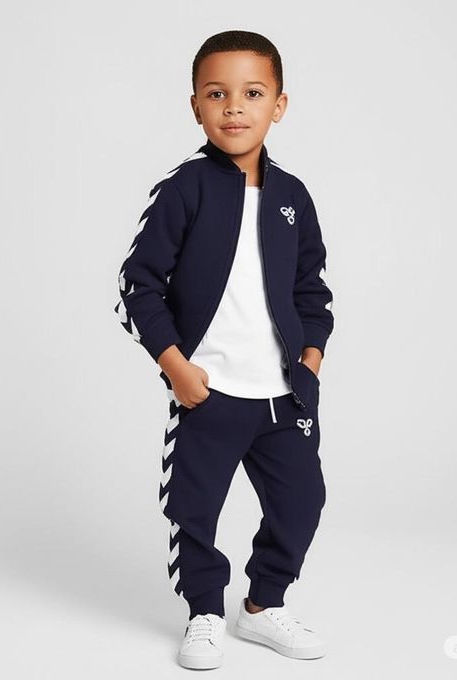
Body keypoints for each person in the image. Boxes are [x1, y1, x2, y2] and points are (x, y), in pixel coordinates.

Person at [113, 29, 334, 670]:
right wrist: (176, 368)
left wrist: (310, 362)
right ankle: (205, 612)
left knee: (302, 502)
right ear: (196, 106)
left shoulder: (292, 197)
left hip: (284, 394)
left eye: (252, 93)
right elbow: (135, 287)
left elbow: (312, 290)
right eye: (217, 94)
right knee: (194, 509)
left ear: (279, 105)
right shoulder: (184, 188)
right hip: (208, 392)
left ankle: (262, 607)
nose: (234, 107)